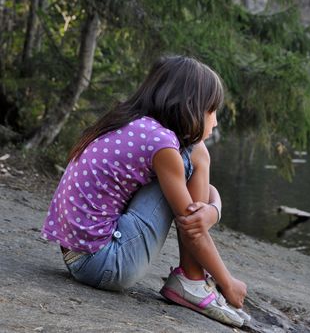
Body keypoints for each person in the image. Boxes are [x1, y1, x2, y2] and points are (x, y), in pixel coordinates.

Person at [40, 55, 249, 327]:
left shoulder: (129, 122)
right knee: (198, 153)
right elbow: (190, 224)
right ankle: (193, 281)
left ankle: (193, 278)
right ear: (190, 106)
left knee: (190, 159)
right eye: (212, 110)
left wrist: (214, 209)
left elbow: (202, 195)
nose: (216, 121)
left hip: (77, 255)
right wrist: (228, 283)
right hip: (104, 263)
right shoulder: (162, 145)